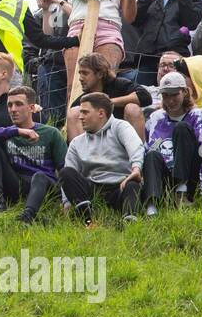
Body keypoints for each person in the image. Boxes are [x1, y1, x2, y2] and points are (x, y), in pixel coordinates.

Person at [0, 86, 68, 222]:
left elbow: (64, 169)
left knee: (39, 177)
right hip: (17, 185)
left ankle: (28, 216)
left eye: (19, 104)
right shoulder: (8, 133)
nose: (13, 109)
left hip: (44, 187)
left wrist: (66, 201)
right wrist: (17, 131)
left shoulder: (50, 133)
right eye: (10, 105)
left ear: (31, 108)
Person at [58, 93, 144, 225]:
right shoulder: (77, 143)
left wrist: (136, 169)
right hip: (93, 190)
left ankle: (129, 222)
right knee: (66, 172)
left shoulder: (120, 127)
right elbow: (69, 174)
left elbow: (136, 146)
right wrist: (66, 203)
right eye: (80, 112)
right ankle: (87, 220)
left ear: (101, 113)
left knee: (133, 185)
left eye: (85, 112)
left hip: (119, 186)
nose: (80, 117)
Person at [140, 72, 202, 214]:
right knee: (152, 154)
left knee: (181, 128)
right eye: (166, 95)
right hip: (165, 177)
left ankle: (182, 193)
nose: (170, 100)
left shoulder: (196, 115)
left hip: (191, 176)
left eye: (174, 94)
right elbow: (147, 148)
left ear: (185, 92)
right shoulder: (155, 117)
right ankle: (152, 208)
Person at [129, 0, 202, 87]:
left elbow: (191, 23)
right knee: (142, 96)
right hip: (147, 58)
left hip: (174, 58)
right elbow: (134, 19)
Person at [67, 52, 151, 141]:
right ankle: (82, 154)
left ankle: (138, 153)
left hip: (124, 142)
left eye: (85, 73)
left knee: (132, 108)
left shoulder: (119, 85)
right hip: (95, 148)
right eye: (80, 73)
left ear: (100, 74)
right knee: (74, 113)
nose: (80, 78)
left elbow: (145, 97)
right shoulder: (81, 101)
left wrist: (108, 102)